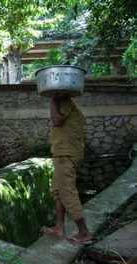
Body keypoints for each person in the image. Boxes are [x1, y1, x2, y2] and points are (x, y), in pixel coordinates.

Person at [43, 94, 93, 245]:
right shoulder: (70, 105)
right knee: (58, 191)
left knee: (67, 192)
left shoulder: (65, 103)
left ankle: (84, 233)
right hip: (63, 154)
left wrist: (52, 100)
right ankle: (59, 228)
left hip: (66, 154)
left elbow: (57, 120)